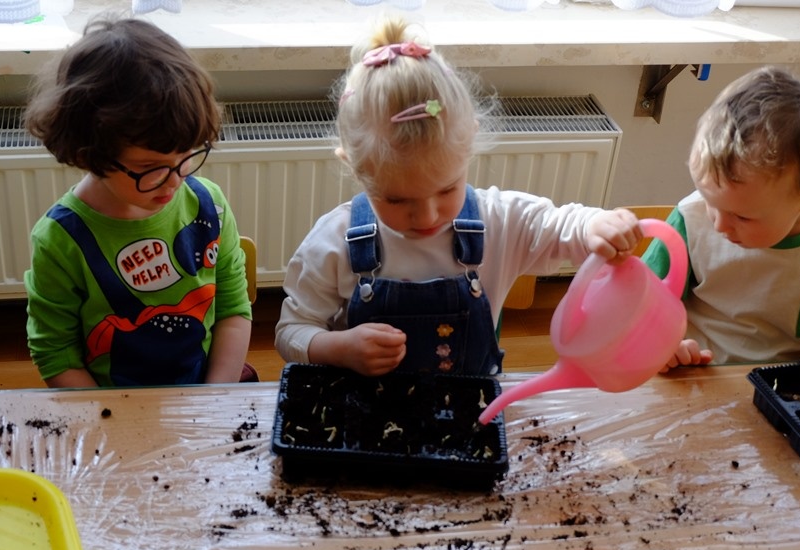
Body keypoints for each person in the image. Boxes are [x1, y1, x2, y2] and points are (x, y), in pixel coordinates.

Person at [275, 16, 643, 377]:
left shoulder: (498, 220)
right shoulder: (335, 240)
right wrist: (338, 348)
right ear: (355, 168)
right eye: (398, 200)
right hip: (364, 411)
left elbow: (563, 225)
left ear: (468, 145)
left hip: (471, 410)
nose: (427, 216)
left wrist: (597, 225)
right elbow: (291, 332)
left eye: (447, 189)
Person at [23, 16, 252, 388]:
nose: (175, 180)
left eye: (187, 155)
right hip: (108, 405)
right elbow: (55, 352)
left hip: (207, 389)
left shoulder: (209, 205)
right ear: (88, 154)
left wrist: (215, 396)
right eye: (150, 168)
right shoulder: (60, 240)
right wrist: (111, 416)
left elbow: (233, 310)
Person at [642, 66, 800, 369]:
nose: (719, 225)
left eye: (742, 217)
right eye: (710, 202)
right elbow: (641, 300)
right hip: (701, 373)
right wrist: (662, 343)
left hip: (794, 380)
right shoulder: (691, 218)